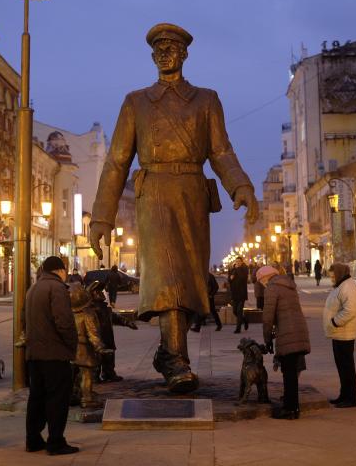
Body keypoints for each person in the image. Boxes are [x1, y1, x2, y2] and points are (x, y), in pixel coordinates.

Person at [90, 22, 258, 394]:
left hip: (192, 193)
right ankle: (175, 359)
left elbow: (221, 152)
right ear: (152, 56)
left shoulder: (206, 99)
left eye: (173, 48)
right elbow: (117, 161)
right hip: (155, 194)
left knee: (191, 276)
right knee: (168, 275)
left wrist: (241, 185)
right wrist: (101, 216)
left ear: (184, 54)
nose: (166, 53)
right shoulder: (136, 101)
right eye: (159, 48)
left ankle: (170, 352)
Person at [25, 255, 79, 455]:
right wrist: (72, 345)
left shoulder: (34, 288)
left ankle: (33, 439)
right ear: (60, 270)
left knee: (36, 398)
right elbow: (63, 322)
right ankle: (56, 441)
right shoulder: (57, 288)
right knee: (57, 399)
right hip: (54, 354)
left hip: (35, 355)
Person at [257, 265, 310, 420]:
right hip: (299, 330)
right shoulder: (288, 285)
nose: (262, 285)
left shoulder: (272, 288)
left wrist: (267, 339)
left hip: (288, 334)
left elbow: (267, 317)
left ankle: (290, 409)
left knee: (288, 373)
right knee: (292, 372)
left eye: (261, 282)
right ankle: (292, 405)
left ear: (265, 278)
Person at [323, 262, 356, 408]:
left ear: (339, 273)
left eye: (333, 275)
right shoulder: (342, 285)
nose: (331, 278)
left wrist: (335, 322)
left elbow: (350, 310)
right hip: (338, 333)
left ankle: (351, 397)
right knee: (342, 366)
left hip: (344, 333)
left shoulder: (348, 287)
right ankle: (344, 394)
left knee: (347, 366)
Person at [229, 257, 249, 333]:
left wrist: (237, 269)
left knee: (239, 311)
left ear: (242, 262)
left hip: (241, 294)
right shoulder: (233, 269)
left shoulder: (244, 268)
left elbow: (243, 277)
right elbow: (229, 280)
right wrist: (230, 278)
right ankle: (245, 320)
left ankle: (238, 329)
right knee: (234, 311)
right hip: (235, 293)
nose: (237, 262)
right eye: (236, 261)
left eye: (239, 261)